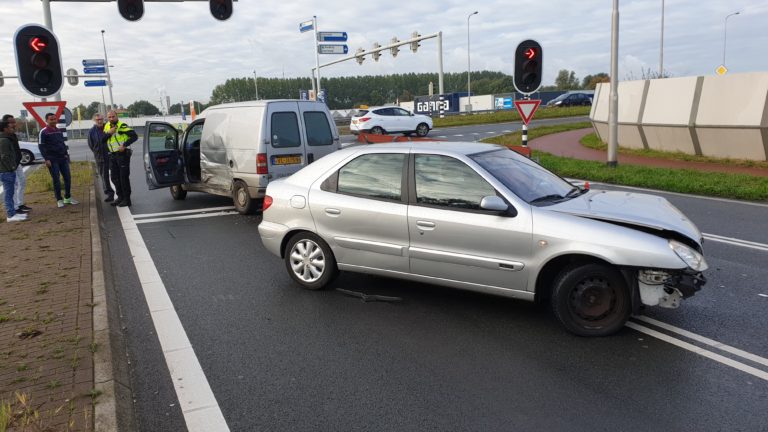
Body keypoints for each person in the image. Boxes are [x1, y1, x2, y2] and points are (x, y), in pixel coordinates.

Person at [39, 112, 79, 208]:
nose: (53, 121)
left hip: (62, 158)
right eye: (51, 119)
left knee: (68, 178)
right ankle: (59, 199)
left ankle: (67, 198)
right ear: (46, 120)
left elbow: (62, 143)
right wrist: (46, 159)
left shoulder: (59, 130)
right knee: (56, 179)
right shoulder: (43, 132)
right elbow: (41, 146)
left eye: (54, 119)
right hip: (52, 160)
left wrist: (66, 154)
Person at [102, 110, 137, 207]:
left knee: (123, 178)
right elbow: (103, 140)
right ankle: (120, 197)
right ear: (107, 118)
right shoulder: (107, 126)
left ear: (116, 116)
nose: (111, 119)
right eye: (109, 117)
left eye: (113, 116)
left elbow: (134, 136)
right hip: (112, 155)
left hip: (122, 155)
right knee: (114, 178)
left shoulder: (122, 126)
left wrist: (124, 145)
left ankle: (127, 200)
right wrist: (109, 133)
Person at [1, 114, 30, 215]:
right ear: (5, 125)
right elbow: (5, 155)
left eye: (14, 122)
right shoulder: (4, 138)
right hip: (10, 166)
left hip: (17, 163)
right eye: (11, 122)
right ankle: (14, 208)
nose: (14, 124)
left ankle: (20, 203)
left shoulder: (12, 135)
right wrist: (12, 165)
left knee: (22, 182)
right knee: (13, 186)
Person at [88, 113, 114, 202]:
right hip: (100, 156)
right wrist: (97, 152)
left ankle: (121, 193)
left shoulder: (109, 127)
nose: (99, 121)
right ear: (94, 121)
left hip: (112, 154)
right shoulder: (92, 131)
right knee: (104, 176)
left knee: (116, 175)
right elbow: (91, 145)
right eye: (97, 120)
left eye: (101, 119)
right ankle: (109, 194)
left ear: (104, 119)